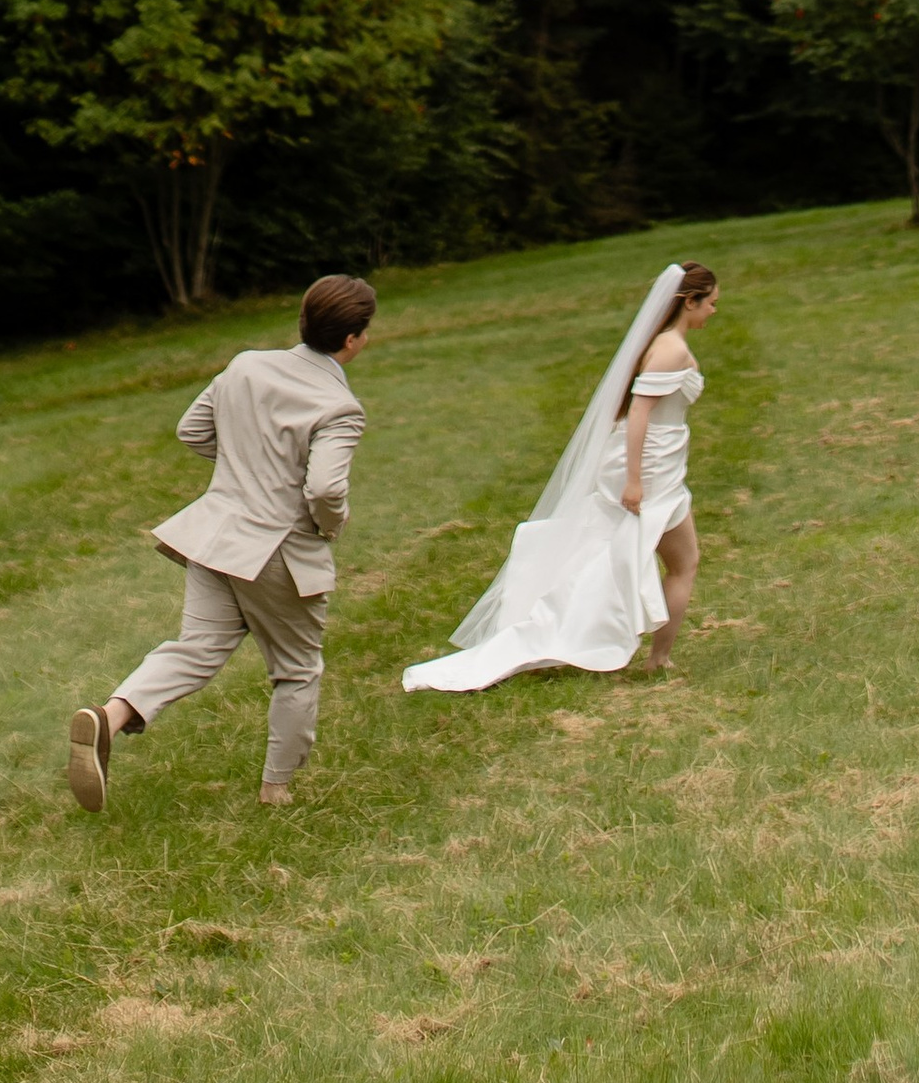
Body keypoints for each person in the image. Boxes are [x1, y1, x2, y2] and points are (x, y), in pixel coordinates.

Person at [67, 273, 375, 811]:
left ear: (304, 321)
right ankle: (275, 791)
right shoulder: (339, 406)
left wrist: (244, 469)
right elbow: (325, 488)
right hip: (276, 550)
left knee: (197, 647)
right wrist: (330, 525)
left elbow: (193, 430)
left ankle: (110, 718)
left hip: (215, 536)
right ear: (352, 339)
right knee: (297, 669)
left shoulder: (246, 365)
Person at [402, 262, 717, 693]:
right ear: (690, 302)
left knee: (618, 557)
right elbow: (639, 413)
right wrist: (634, 480)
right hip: (654, 469)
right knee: (680, 563)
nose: (714, 311)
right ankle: (655, 658)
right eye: (711, 303)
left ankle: (603, 637)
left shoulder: (666, 344)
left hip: (663, 464)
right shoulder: (671, 350)